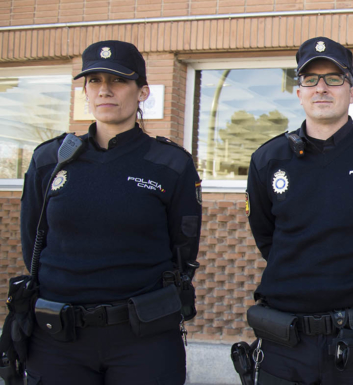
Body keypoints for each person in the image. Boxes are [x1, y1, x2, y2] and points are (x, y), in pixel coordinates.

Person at [19, 40, 202, 384]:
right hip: (59, 338)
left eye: (118, 80)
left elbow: (182, 249)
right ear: (85, 92)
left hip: (144, 337)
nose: (105, 90)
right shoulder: (50, 159)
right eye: (94, 81)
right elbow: (33, 241)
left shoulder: (171, 163)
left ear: (142, 92)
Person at [244, 36, 353, 384]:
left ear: (352, 92)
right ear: (299, 93)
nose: (321, 88)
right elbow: (267, 238)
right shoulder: (268, 159)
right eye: (310, 79)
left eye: (334, 78)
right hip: (285, 344)